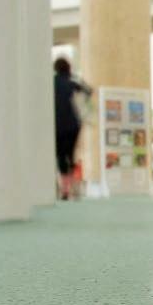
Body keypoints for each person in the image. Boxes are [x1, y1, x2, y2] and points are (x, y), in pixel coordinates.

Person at [53, 57, 91, 200]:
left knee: (60, 156)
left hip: (58, 124)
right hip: (73, 124)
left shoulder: (53, 81)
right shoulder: (71, 81)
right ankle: (73, 187)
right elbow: (88, 90)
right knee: (70, 155)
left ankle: (65, 190)